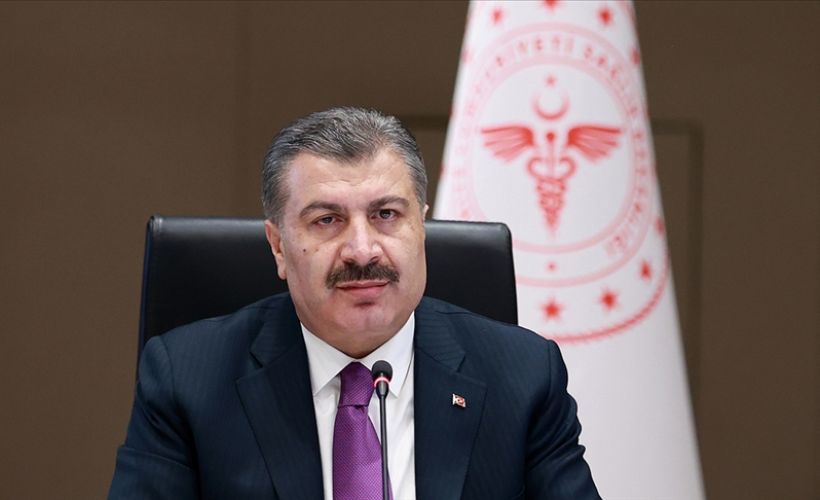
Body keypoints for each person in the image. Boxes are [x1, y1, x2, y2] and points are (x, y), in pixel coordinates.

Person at [108, 107, 600, 499]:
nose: (362, 250)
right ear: (278, 247)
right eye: (327, 220)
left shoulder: (524, 376)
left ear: (421, 228)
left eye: (386, 214)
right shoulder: (187, 380)